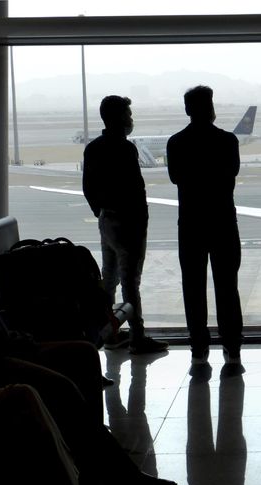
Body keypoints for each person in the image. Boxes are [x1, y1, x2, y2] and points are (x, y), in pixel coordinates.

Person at [0, 301, 177, 485]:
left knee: (84, 353)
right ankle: (117, 475)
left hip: (4, 347)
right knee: (60, 387)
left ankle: (95, 465)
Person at [82, 94, 168, 355]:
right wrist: (140, 219)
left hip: (107, 220)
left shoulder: (93, 148)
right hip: (129, 222)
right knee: (131, 281)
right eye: (128, 115)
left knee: (109, 278)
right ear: (119, 117)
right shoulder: (125, 148)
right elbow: (135, 188)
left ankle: (109, 333)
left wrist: (103, 212)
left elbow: (88, 187)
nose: (131, 120)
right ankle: (138, 337)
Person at [167, 85, 243, 367]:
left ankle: (199, 348)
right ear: (211, 108)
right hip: (223, 221)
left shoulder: (176, 143)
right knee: (227, 287)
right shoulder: (228, 141)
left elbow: (176, 177)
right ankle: (232, 347)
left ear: (187, 110)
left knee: (193, 288)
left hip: (191, 223)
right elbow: (231, 172)